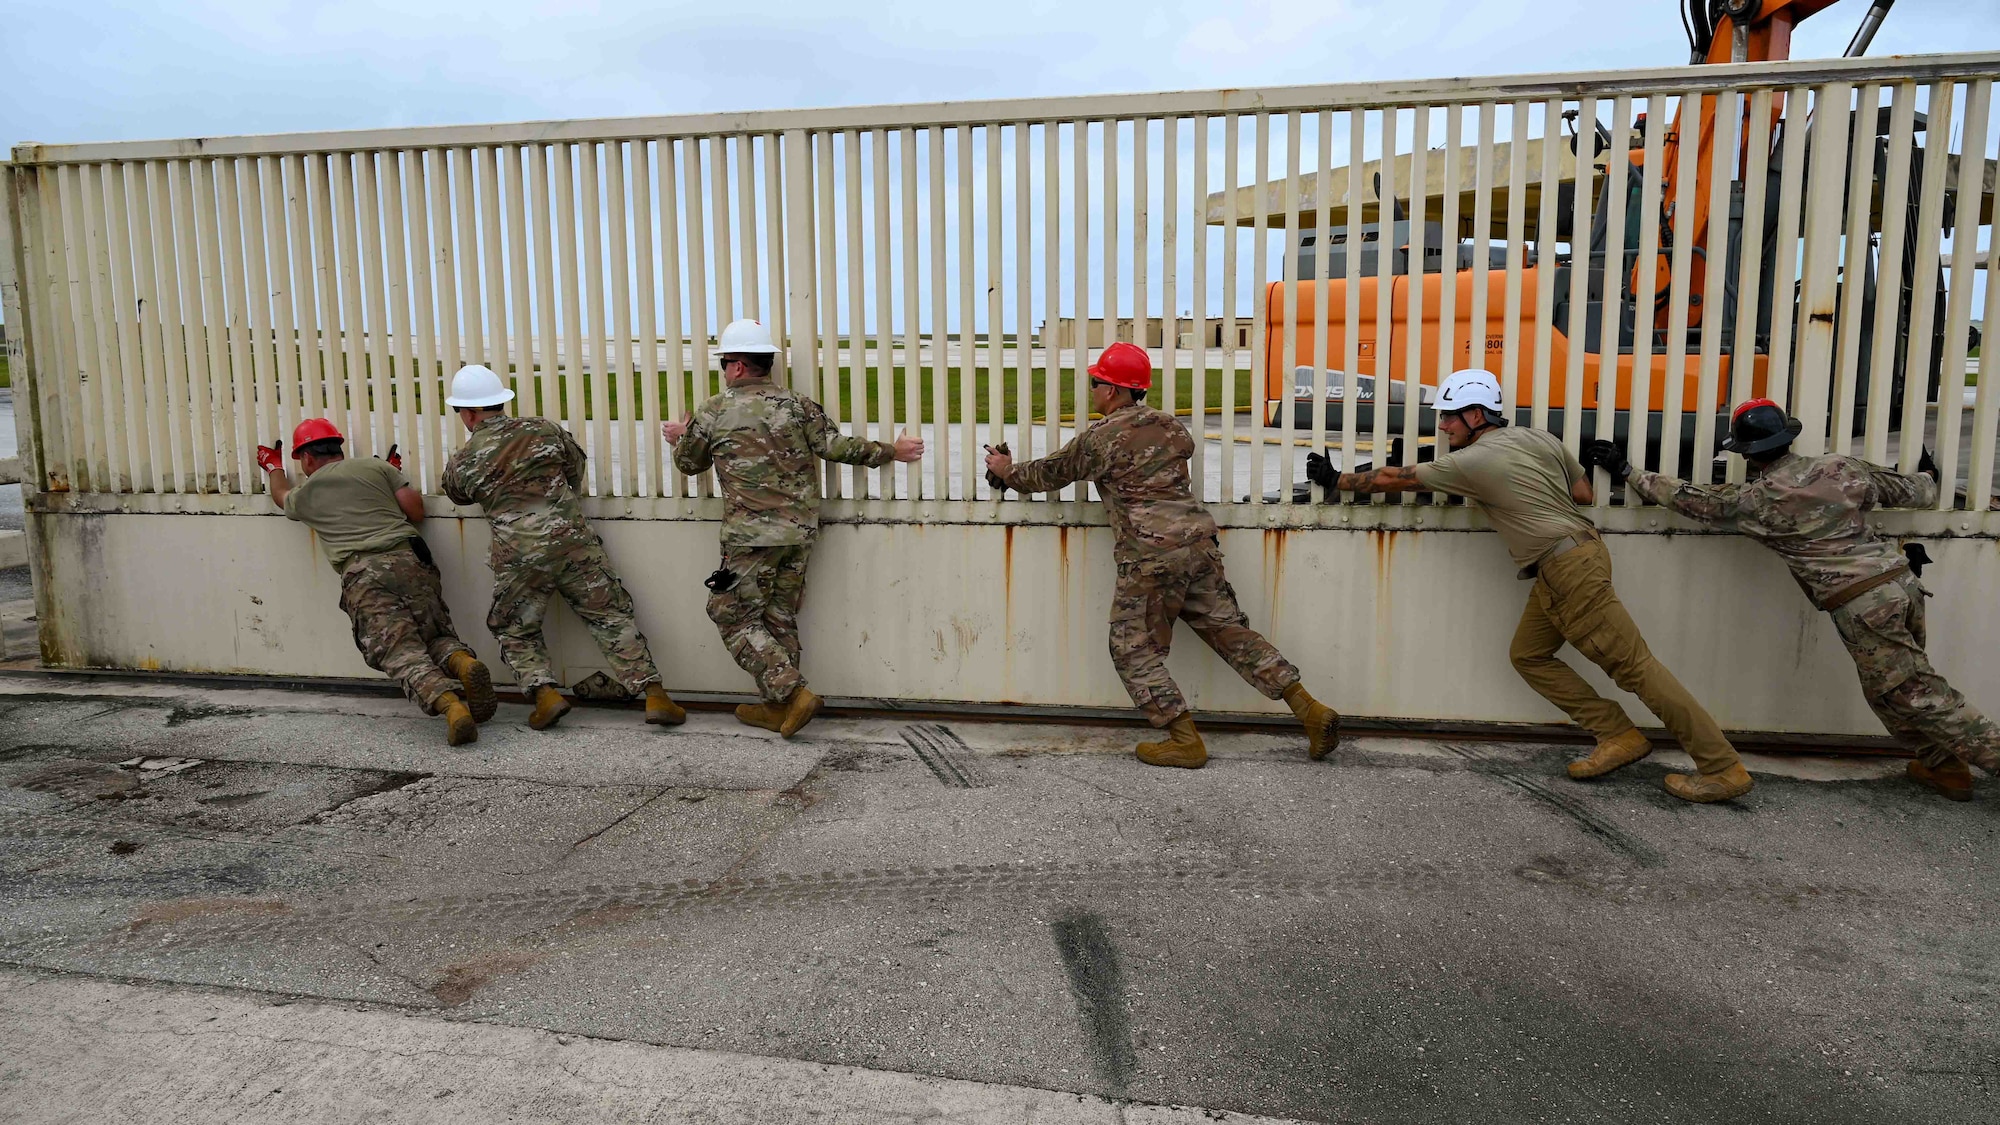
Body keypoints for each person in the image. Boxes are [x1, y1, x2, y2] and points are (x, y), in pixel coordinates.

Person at [1307, 369, 1753, 802]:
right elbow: (1582, 494)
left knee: (1637, 668)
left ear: (1477, 416)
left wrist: (1335, 480)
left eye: (1449, 415)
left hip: (1567, 569)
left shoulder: (1472, 460)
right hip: (1576, 558)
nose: (1442, 425)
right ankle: (1617, 734)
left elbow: (1390, 478)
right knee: (1529, 655)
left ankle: (1720, 768)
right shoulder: (1539, 438)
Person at [1586, 399, 1999, 801]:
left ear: (1747, 454)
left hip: (1863, 605)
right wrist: (1928, 473)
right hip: (1901, 587)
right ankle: (1942, 767)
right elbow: (1913, 492)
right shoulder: (1839, 468)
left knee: (1917, 692)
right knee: (1890, 689)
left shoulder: (1758, 502)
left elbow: (1690, 499)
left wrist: (1627, 471)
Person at [985, 342, 1340, 769]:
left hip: (1150, 553)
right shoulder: (1173, 428)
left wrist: (1006, 470)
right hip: (1198, 546)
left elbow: (1047, 474)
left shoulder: (1101, 439)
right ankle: (1310, 710)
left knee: (1131, 647)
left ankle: (1183, 739)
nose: (1092, 390)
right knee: (1229, 632)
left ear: (1114, 390)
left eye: (1096, 382)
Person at [663, 319, 924, 738]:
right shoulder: (798, 405)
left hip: (750, 537)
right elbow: (837, 447)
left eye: (724, 363)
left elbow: (689, 464)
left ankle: (792, 691)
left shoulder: (714, 410)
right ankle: (776, 708)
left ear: (737, 367)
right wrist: (892, 450)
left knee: (727, 614)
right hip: (799, 532)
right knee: (778, 614)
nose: (724, 372)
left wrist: (681, 436)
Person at [440, 365, 684, 731]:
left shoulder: (463, 459)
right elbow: (576, 468)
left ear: (470, 413)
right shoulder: (543, 429)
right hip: (573, 543)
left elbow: (458, 496)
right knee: (609, 616)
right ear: (501, 402)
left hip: (518, 555)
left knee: (514, 627)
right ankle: (654, 695)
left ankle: (545, 695)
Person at [257, 419, 494, 746]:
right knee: (432, 632)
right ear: (339, 448)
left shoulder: (306, 493)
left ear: (306, 459)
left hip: (365, 573)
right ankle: (464, 664)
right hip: (412, 559)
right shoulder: (376, 467)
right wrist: (389, 478)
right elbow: (415, 511)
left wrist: (273, 467)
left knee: (399, 650)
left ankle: (452, 708)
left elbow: (281, 495)